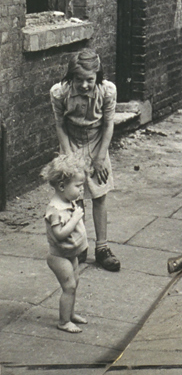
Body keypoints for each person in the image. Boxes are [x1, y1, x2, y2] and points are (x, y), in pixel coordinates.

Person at [50, 49, 120, 271]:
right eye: (78, 80)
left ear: (97, 77)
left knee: (99, 195)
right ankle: (79, 245)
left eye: (89, 80)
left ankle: (102, 247)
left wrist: (99, 157)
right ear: (71, 77)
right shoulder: (59, 93)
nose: (84, 85)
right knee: (74, 196)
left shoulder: (107, 91)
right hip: (71, 142)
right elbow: (60, 125)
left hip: (97, 141)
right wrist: (70, 158)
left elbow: (109, 124)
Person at [41, 153, 88, 333]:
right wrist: (75, 219)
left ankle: (70, 314)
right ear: (62, 186)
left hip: (71, 254)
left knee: (75, 282)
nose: (81, 190)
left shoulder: (69, 200)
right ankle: (63, 321)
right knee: (69, 287)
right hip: (59, 256)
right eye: (78, 186)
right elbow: (59, 234)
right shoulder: (55, 209)